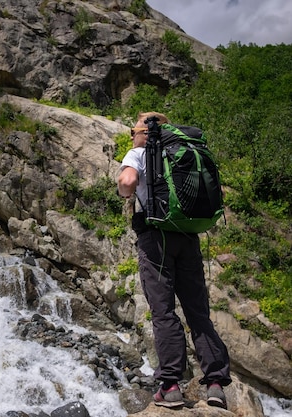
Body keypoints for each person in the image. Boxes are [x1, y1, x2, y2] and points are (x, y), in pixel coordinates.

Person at [117, 111, 231, 409]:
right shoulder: (184, 151)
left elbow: (127, 182)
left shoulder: (141, 152)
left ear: (144, 132)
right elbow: (216, 191)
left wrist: (124, 193)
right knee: (198, 311)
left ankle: (170, 386)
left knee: (163, 311)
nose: (131, 136)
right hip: (188, 235)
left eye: (134, 131)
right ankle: (216, 383)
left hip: (156, 238)